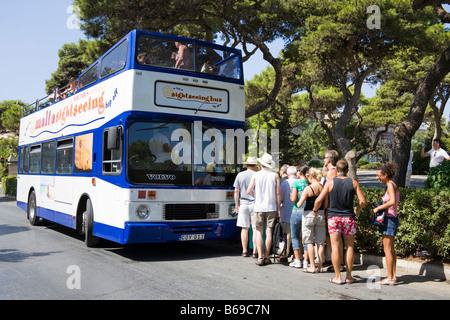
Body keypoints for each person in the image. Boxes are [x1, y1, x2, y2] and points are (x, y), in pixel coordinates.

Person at [313, 160, 366, 285]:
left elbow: (319, 200)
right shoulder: (353, 183)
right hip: (348, 217)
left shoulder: (330, 182)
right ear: (347, 170)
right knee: (350, 247)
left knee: (336, 247)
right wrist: (357, 210)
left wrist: (315, 210)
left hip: (334, 218)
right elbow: (362, 201)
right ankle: (349, 276)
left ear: (336, 170)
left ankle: (338, 277)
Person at [247, 153, 281, 266]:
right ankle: (267, 256)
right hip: (271, 207)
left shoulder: (256, 175)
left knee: (258, 232)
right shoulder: (275, 175)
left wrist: (255, 194)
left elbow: (248, 191)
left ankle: (260, 257)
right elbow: (278, 193)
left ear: (261, 164)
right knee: (269, 232)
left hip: (259, 207)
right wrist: (278, 209)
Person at [372, 163, 400, 286]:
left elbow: (392, 202)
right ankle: (393, 276)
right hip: (391, 219)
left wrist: (377, 209)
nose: (378, 178)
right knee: (391, 250)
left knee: (388, 250)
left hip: (389, 220)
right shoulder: (391, 184)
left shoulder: (389, 185)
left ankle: (390, 277)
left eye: (379, 176)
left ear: (385, 175)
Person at [297, 168, 327, 273]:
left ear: (310, 177)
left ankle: (312, 266)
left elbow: (299, 204)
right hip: (321, 214)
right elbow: (326, 204)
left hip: (309, 214)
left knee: (309, 241)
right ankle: (321, 266)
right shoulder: (323, 187)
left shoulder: (308, 188)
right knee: (320, 242)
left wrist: (297, 202)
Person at [233, 156, 258, 257]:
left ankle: (244, 250)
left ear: (246, 165)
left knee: (244, 228)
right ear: (255, 165)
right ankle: (255, 251)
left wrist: (236, 205)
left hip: (243, 203)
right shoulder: (257, 175)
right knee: (255, 228)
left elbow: (236, 191)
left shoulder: (240, 175)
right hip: (255, 204)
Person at [289, 165, 309, 269]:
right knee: (306, 237)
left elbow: (293, 199)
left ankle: (297, 260)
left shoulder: (296, 183)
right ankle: (306, 260)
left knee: (295, 236)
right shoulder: (309, 183)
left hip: (297, 210)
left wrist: (290, 195)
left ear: (300, 172)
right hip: (307, 212)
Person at [278, 166, 297, 262]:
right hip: (298, 212)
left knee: (286, 233)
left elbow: (280, 197)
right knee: (296, 235)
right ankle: (295, 254)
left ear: (288, 174)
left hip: (286, 212)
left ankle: (286, 252)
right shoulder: (302, 182)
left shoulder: (285, 183)